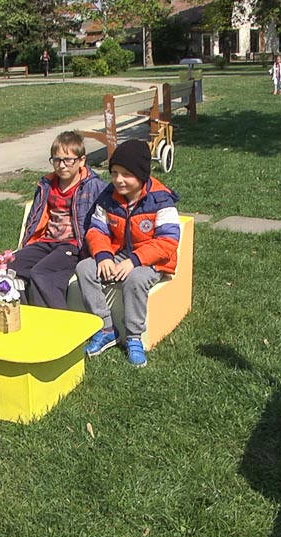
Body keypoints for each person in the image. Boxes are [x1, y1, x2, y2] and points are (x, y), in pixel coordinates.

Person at [76, 140, 180, 368]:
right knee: (85, 268)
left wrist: (134, 261)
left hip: (153, 260)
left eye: (126, 174)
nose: (118, 180)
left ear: (142, 175)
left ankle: (133, 337)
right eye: (114, 173)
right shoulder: (108, 196)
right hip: (120, 254)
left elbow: (167, 242)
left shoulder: (161, 200)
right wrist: (103, 255)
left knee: (136, 279)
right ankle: (105, 328)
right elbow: (97, 230)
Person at [8, 131, 107, 310]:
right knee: (12, 266)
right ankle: (24, 313)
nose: (61, 165)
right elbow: (36, 217)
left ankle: (54, 320)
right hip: (46, 242)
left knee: (42, 273)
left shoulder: (93, 186)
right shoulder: (46, 185)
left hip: (73, 246)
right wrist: (27, 243)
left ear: (82, 161)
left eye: (68, 160)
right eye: (56, 160)